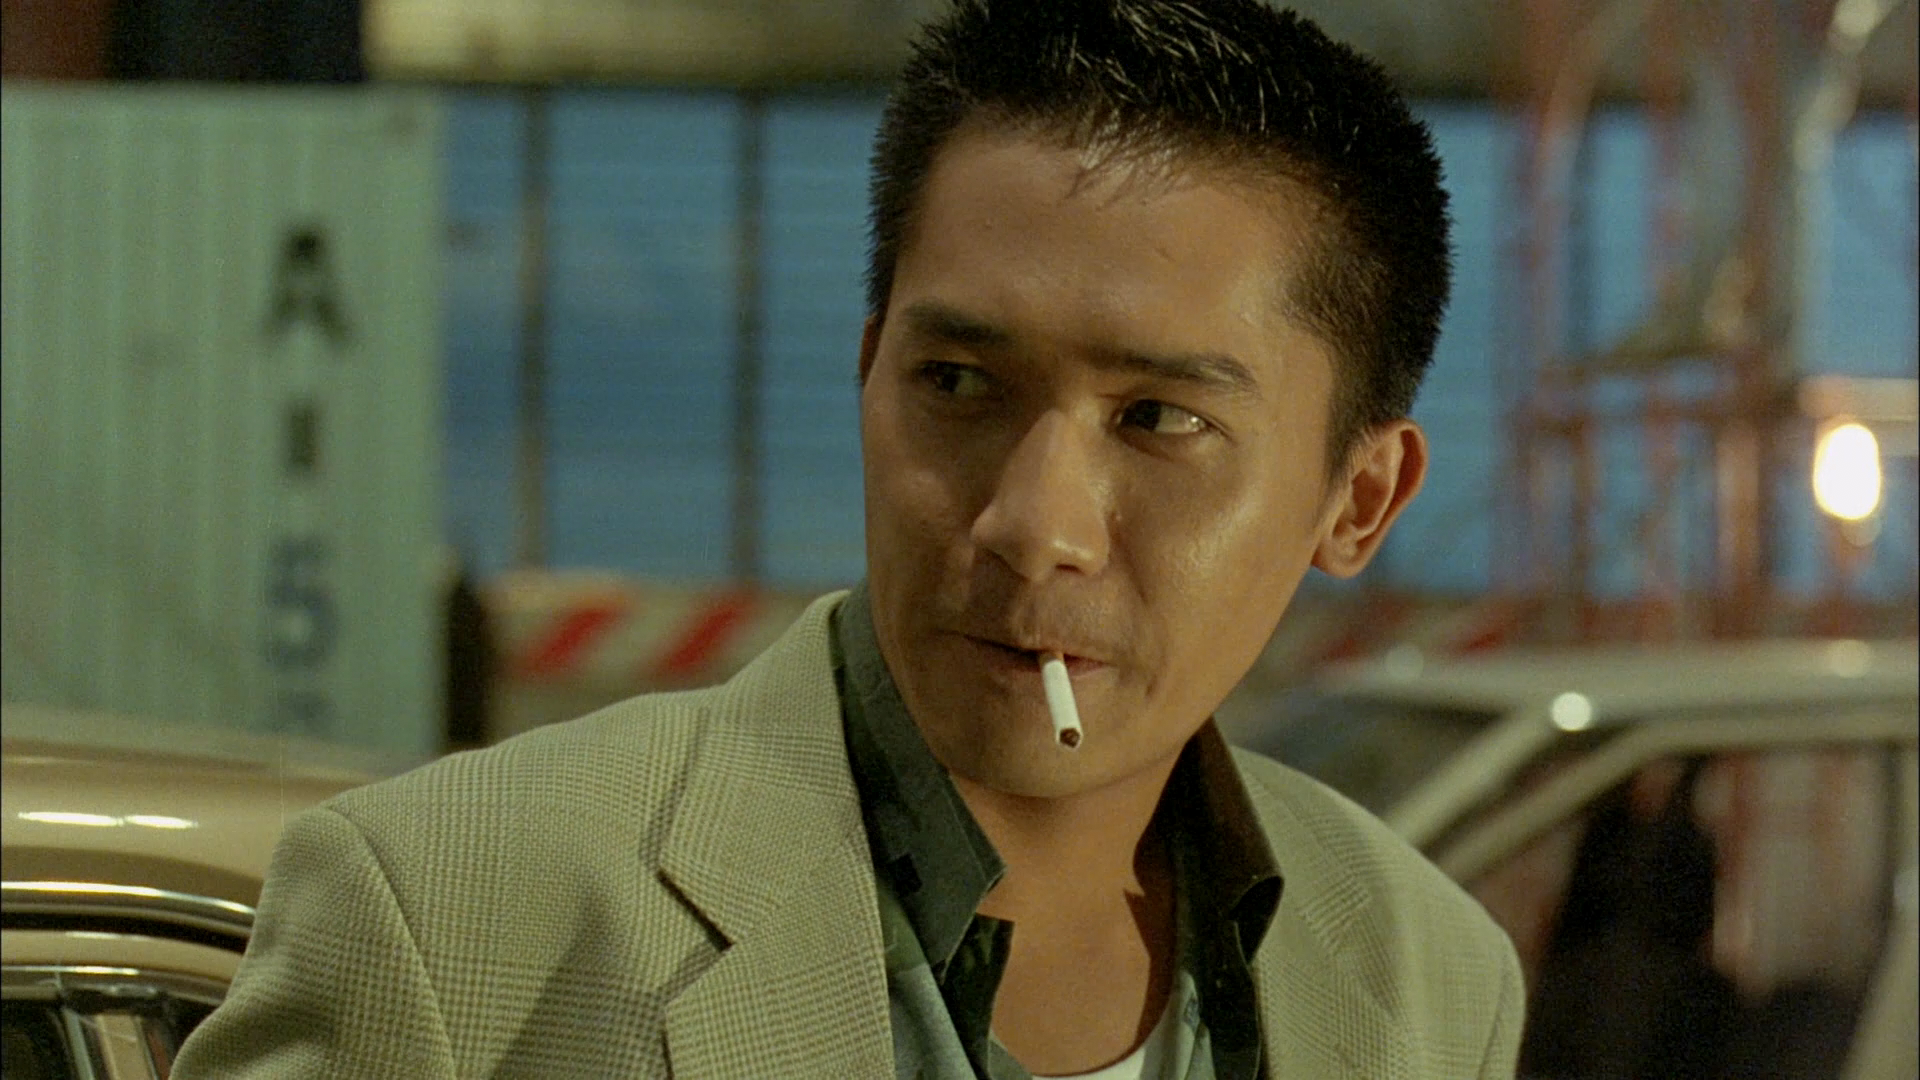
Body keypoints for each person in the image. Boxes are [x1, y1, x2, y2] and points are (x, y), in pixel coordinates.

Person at [174, 2, 1524, 1076]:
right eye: (957, 383)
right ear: (871, 369)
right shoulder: (453, 914)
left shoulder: (1425, 975)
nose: (1033, 526)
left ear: (1359, 499)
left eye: (1159, 419)